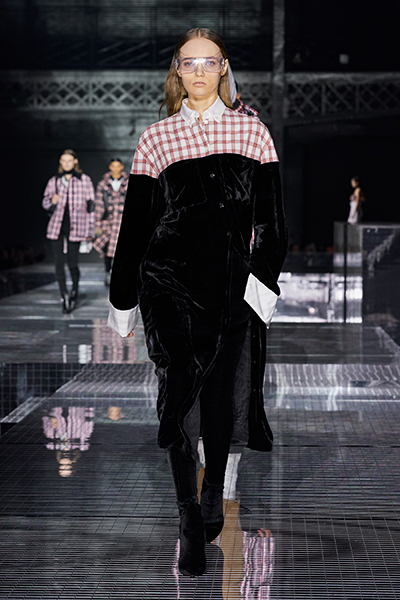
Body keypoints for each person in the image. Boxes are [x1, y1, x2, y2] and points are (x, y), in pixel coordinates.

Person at [108, 28, 288, 577]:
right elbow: (136, 227)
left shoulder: (253, 132)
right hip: (167, 283)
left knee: (219, 395)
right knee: (179, 387)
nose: (200, 72)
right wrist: (123, 297)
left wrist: (262, 282)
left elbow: (272, 222)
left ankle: (212, 494)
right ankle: (188, 512)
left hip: (231, 286)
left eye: (210, 62)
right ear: (177, 71)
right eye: (190, 63)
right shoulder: (155, 138)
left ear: (224, 68)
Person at [42, 150, 95, 313]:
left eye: (69, 160)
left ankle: (74, 291)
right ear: (60, 162)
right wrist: (52, 201)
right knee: (59, 263)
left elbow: (92, 207)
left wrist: (90, 230)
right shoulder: (54, 181)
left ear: (75, 162)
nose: (66, 164)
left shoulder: (84, 180)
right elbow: (45, 203)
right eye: (63, 161)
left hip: (76, 227)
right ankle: (64, 294)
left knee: (73, 263)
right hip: (57, 227)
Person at [93, 158, 129, 286]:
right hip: (108, 222)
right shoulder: (103, 184)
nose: (115, 169)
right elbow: (99, 205)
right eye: (113, 166)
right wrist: (98, 224)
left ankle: (121, 274)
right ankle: (108, 272)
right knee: (107, 249)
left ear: (121, 167)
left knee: (123, 249)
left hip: (123, 222)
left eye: (118, 166)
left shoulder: (128, 183)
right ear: (110, 167)